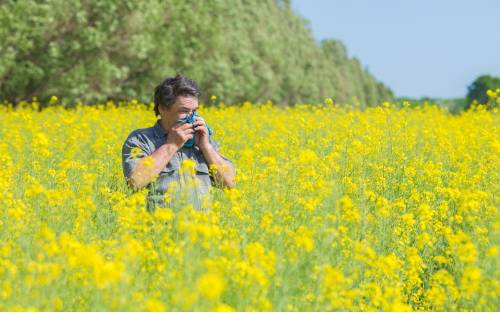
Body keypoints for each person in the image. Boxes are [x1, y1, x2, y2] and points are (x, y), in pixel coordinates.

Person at [121, 74, 236, 213]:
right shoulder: (141, 139)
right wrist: (172, 145)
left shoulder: (202, 140)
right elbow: (135, 182)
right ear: (162, 109)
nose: (192, 117)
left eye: (195, 111)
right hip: (158, 231)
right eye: (184, 111)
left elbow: (230, 183)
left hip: (202, 232)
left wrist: (206, 147)